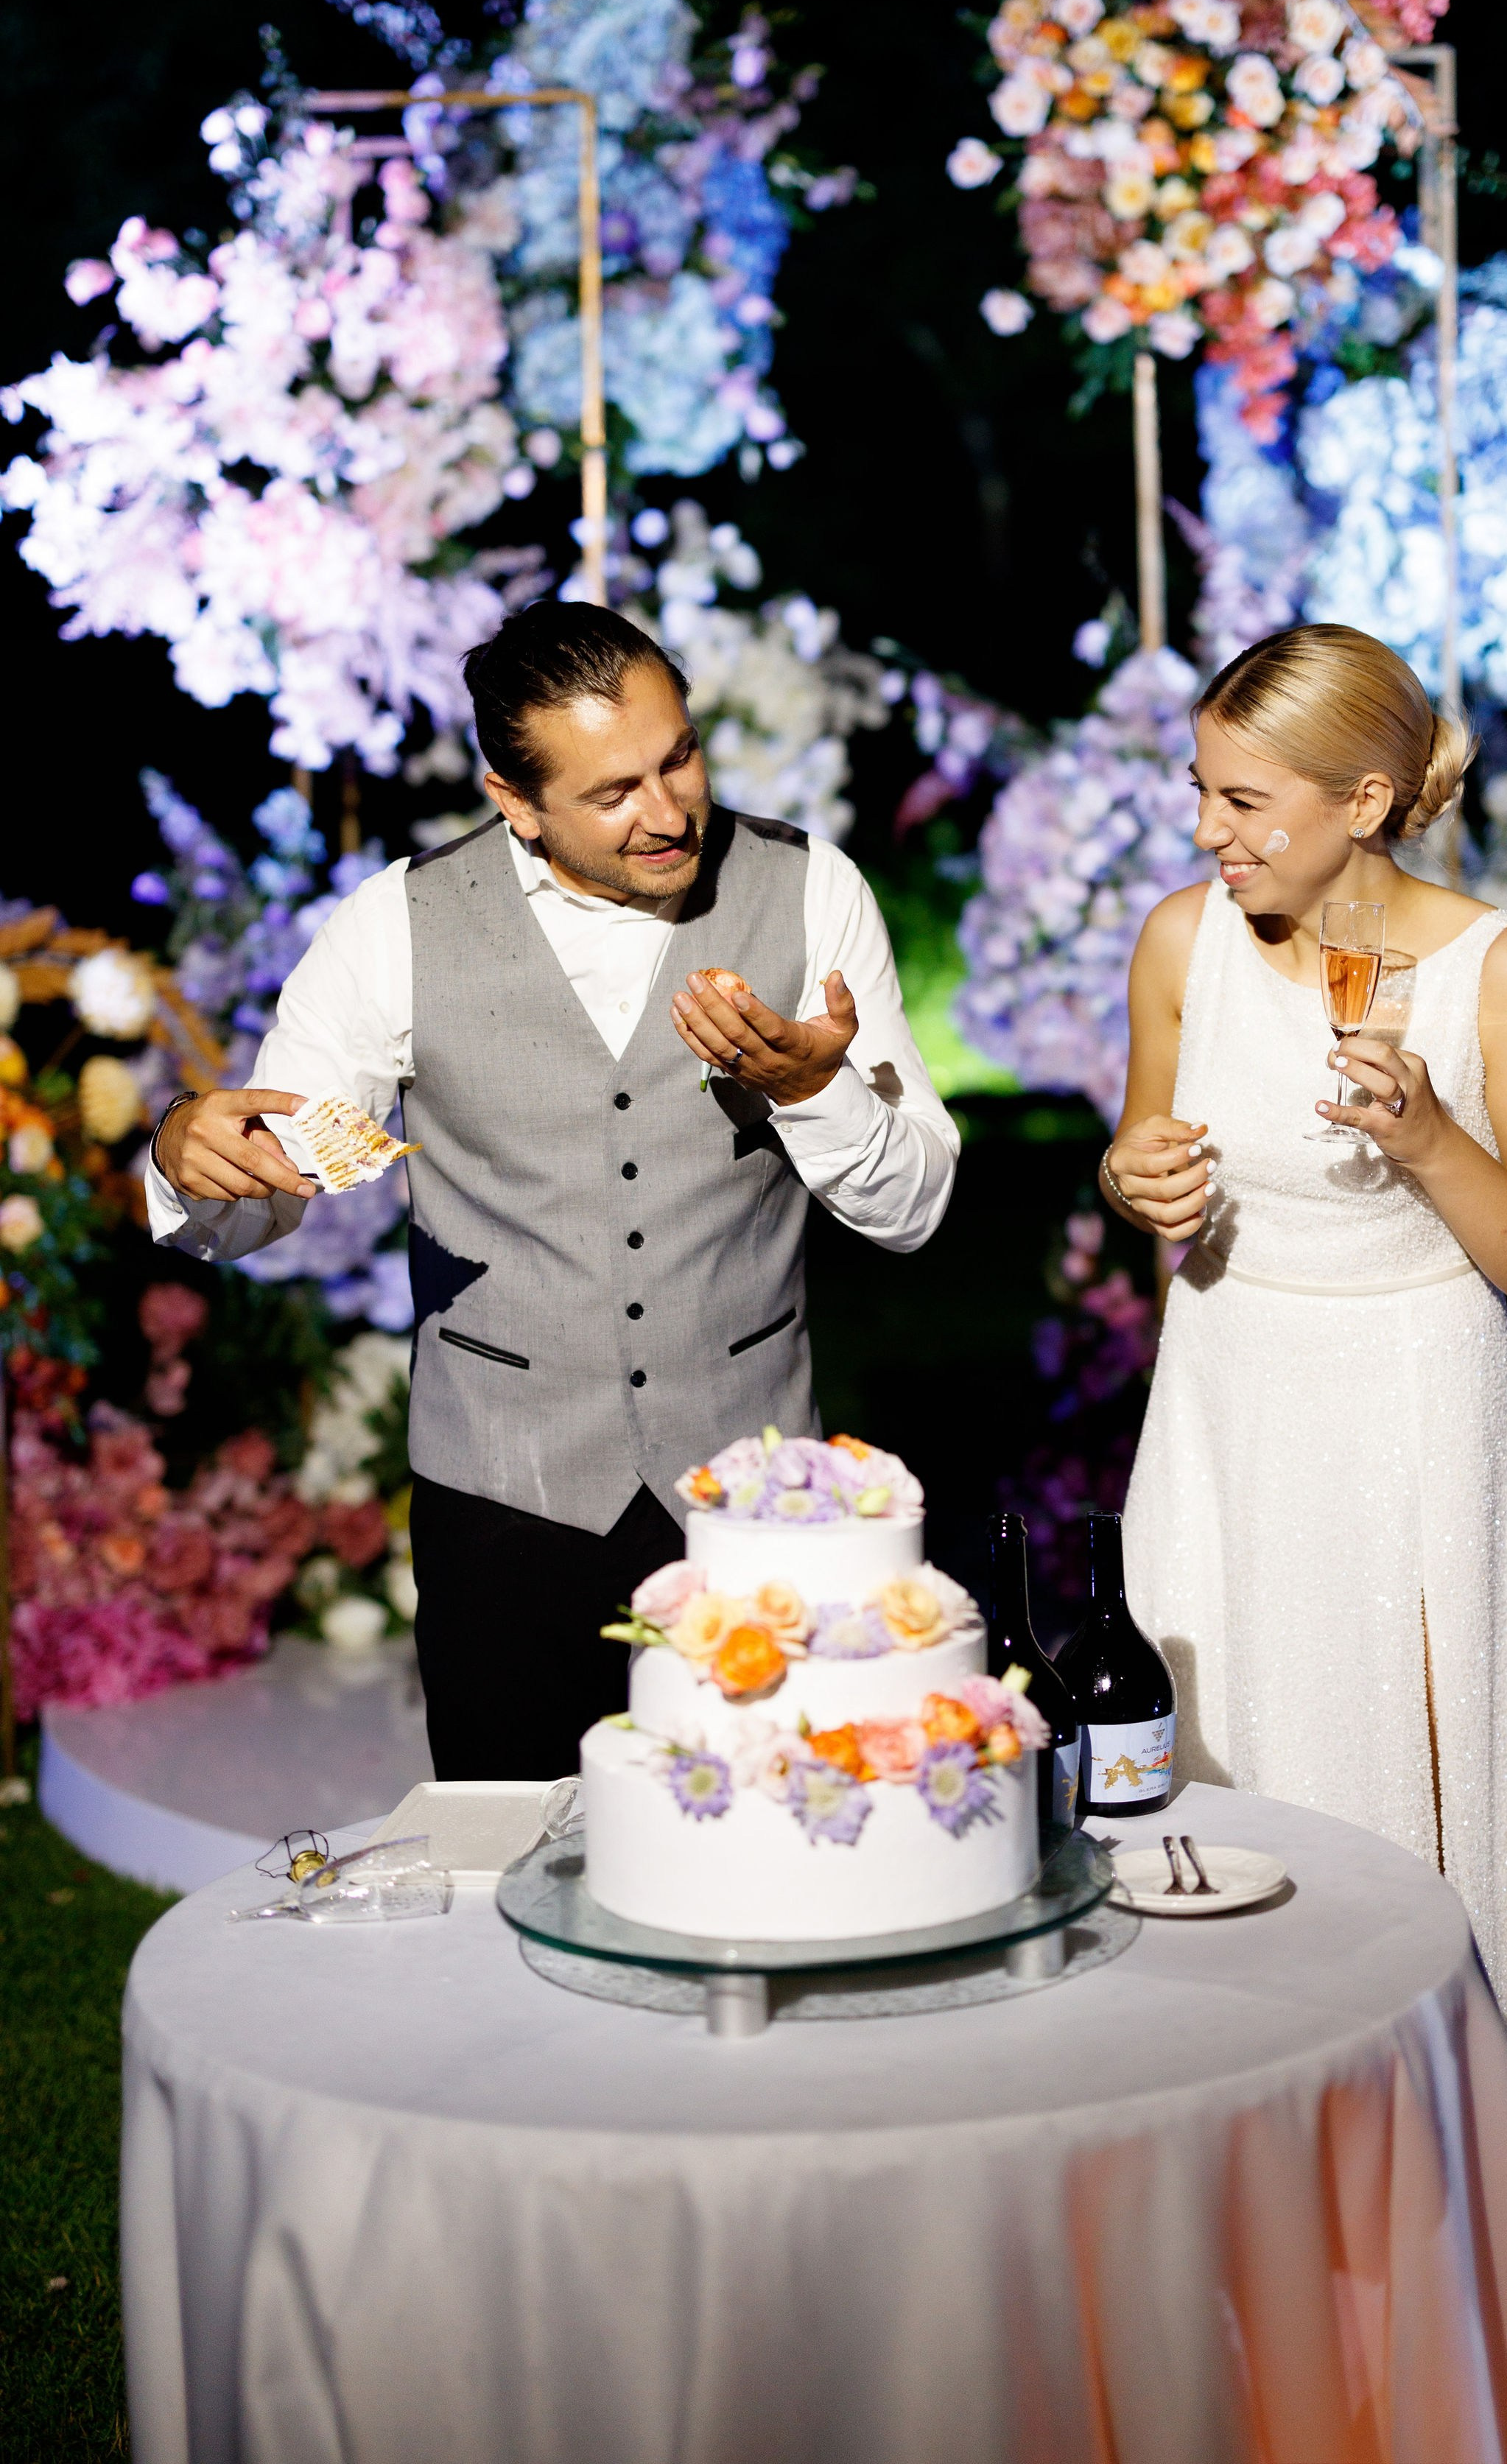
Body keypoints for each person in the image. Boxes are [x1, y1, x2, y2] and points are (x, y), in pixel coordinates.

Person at [1103, 624, 1507, 2443]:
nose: (1209, 831)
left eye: (1246, 800)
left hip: (1412, 1435)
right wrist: (1138, 1176)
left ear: (1367, 800)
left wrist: (1437, 1141)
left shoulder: (1497, 974)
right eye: (1202, 791)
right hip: (1227, 1420)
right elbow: (1155, 1162)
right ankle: (1226, 2323)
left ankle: (1444, 2338)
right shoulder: (1184, 942)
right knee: (1208, 1840)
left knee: (1409, 1853)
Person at [147, 601, 958, 1777]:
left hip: (752, 1492)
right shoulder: (394, 928)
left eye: (679, 757)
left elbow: (915, 1209)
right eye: (613, 791)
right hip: (502, 1497)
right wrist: (188, 1154)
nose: (669, 813)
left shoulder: (809, 889)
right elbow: (269, 1184)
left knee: (767, 1832)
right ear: (514, 801)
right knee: (507, 1845)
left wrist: (812, 1089)